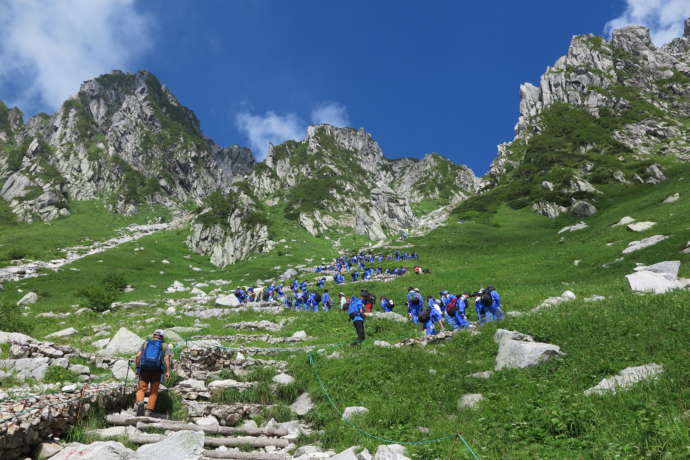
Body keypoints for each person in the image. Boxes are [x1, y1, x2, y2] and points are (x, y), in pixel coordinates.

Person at [135, 330, 172, 417]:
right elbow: (167, 359)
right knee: (154, 391)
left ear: (153, 335)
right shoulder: (164, 345)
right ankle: (148, 411)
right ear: (162, 337)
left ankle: (140, 402)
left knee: (141, 389)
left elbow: (137, 356)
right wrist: (168, 371)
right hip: (157, 370)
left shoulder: (145, 343)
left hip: (144, 369)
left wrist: (137, 368)